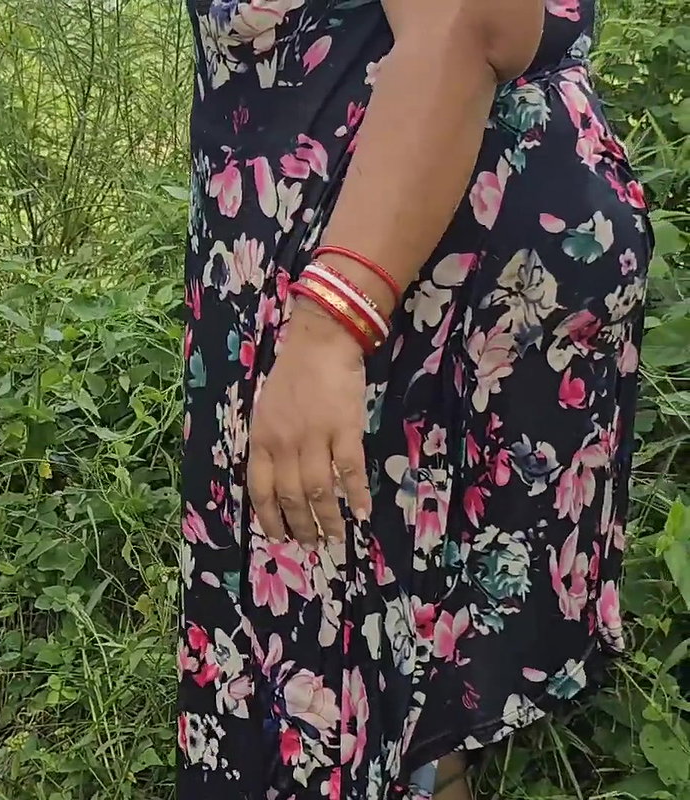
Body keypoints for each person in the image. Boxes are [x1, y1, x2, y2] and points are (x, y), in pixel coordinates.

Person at [178, 1, 649, 798]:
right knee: (400, 687)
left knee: (331, 691)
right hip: (410, 253)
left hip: (379, 273)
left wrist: (333, 320)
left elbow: (466, 16)